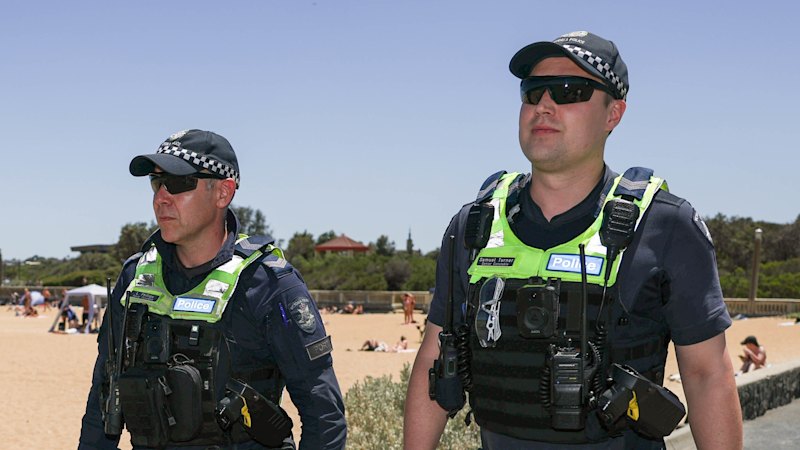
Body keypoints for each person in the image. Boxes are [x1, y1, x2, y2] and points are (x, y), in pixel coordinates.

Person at [404, 31, 742, 449]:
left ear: (613, 114)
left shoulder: (667, 226)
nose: (543, 106)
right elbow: (434, 359)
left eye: (569, 91)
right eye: (532, 92)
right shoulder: (473, 226)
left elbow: (707, 375)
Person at [79, 129, 346, 449]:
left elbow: (323, 415)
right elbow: (103, 398)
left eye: (178, 184)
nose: (161, 197)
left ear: (223, 192)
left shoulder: (269, 286)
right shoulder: (135, 278)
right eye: (156, 182)